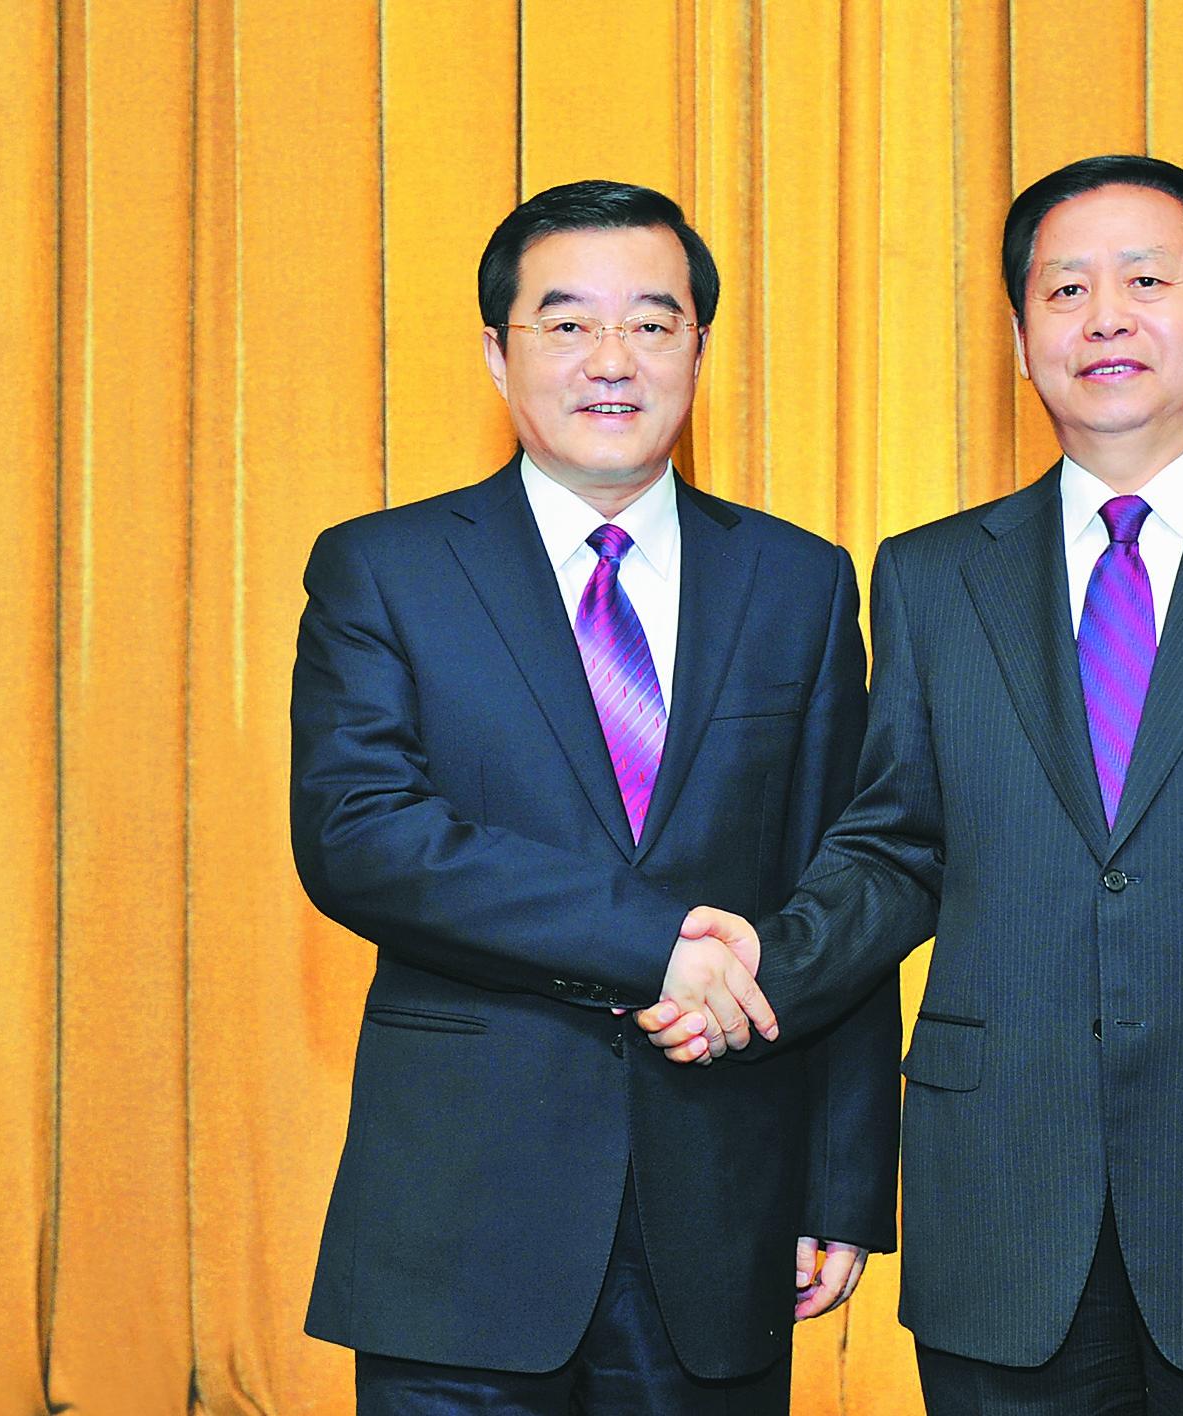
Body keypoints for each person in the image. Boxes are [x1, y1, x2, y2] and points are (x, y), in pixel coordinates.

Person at [642, 155, 1183, 1414]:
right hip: (1003, 1209)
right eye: (1064, 290)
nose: (1104, 319)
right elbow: (894, 850)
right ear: (1018, 335)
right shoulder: (931, 577)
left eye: (1145, 282)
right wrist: (764, 957)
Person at [289, 180, 899, 1414]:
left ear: (697, 349)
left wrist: (838, 1181)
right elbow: (360, 834)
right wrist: (652, 943)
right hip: (462, 1221)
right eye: (566, 324)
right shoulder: (385, 569)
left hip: (721, 1209)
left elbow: (838, 879)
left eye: (651, 324)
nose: (610, 360)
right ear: (497, 352)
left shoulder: (798, 580)